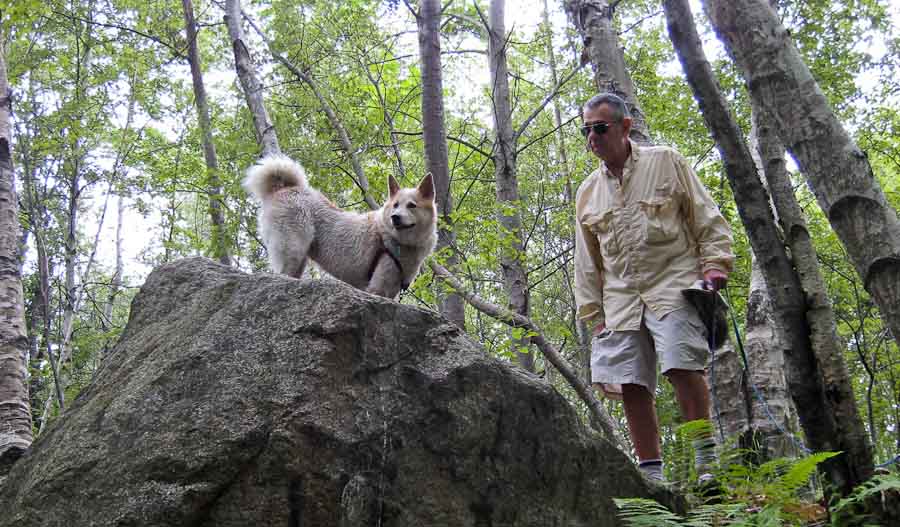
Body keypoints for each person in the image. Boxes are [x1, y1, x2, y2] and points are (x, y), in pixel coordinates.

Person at [573, 93, 734, 484]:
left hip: (674, 285)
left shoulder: (666, 162)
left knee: (682, 366)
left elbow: (705, 217)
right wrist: (593, 315)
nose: (592, 137)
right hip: (620, 300)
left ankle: (706, 466)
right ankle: (652, 476)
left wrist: (714, 266)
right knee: (630, 381)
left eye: (600, 128)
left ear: (625, 127)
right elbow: (586, 261)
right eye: (586, 130)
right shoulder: (587, 193)